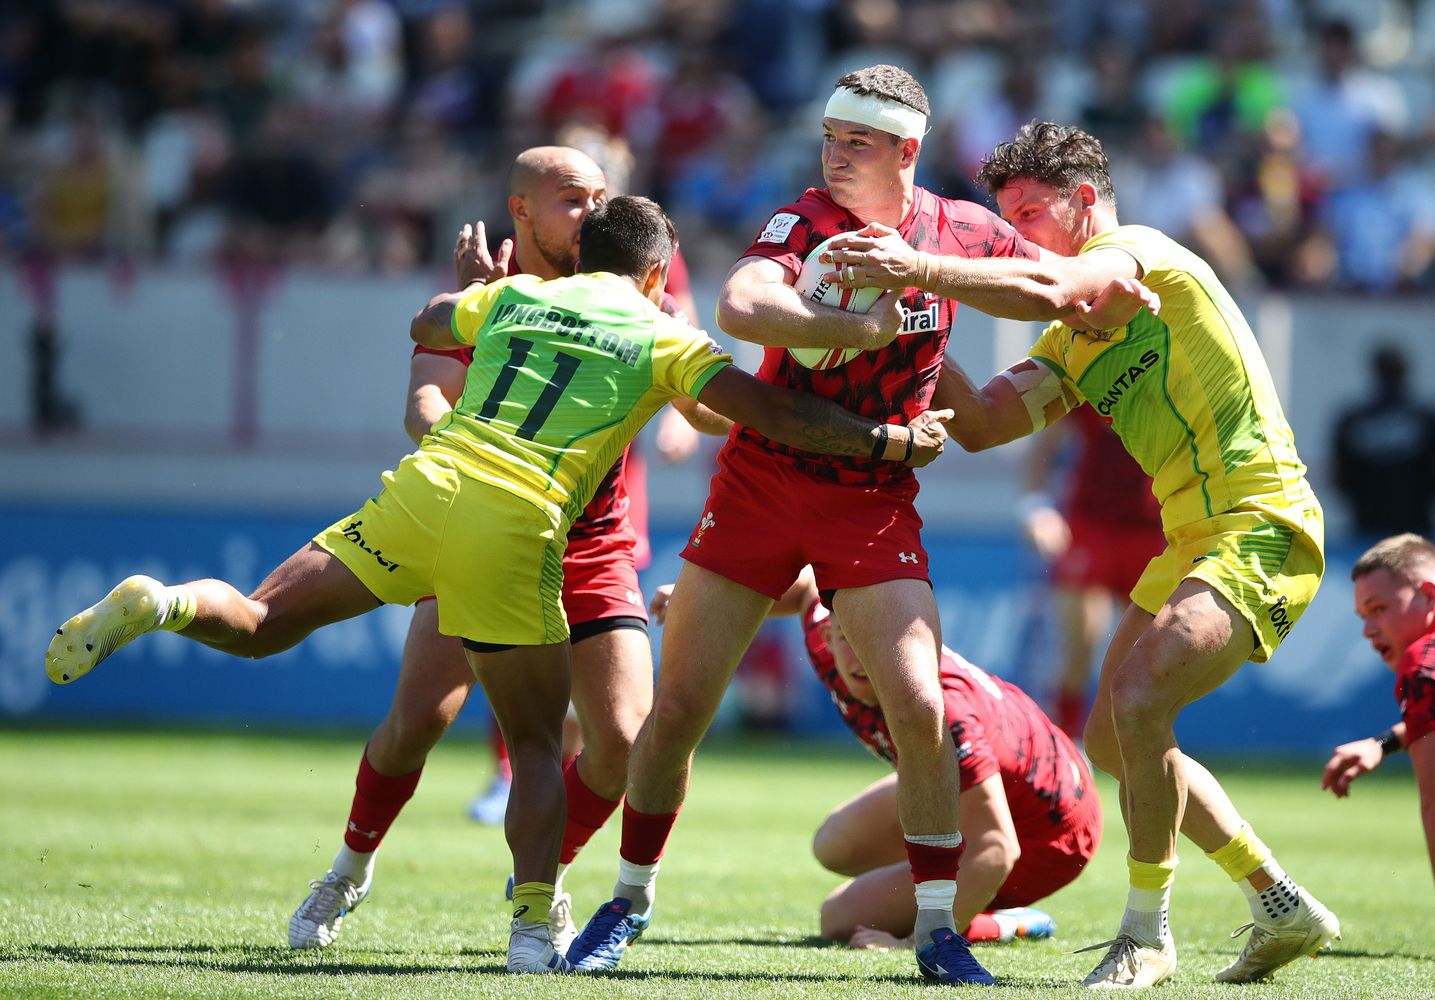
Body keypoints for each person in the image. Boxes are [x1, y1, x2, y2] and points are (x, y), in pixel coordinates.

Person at [45, 194, 951, 975]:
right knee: (529, 736)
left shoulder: (516, 296)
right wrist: (882, 441)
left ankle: (159, 602)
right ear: (652, 276)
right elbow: (771, 412)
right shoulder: (661, 332)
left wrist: (476, 291)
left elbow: (430, 323)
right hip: (515, 522)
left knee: (259, 620)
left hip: (428, 487)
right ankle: (530, 930)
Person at [824, 120, 1340, 988]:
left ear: (1086, 203)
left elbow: (1052, 277)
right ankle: (1278, 898)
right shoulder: (1069, 341)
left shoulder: (1140, 255)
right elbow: (985, 425)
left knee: (1138, 702)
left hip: (1264, 521)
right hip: (1189, 540)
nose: (1015, 232)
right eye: (1006, 217)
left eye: (1029, 212)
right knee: (1114, 728)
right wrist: (916, 327)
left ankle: (1147, 935)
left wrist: (916, 263)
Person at [566, 64, 1040, 987]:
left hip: (870, 499)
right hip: (763, 482)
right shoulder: (808, 219)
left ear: (908, 151)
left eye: (855, 142)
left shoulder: (957, 231)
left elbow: (1043, 289)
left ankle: (939, 932)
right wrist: (855, 328)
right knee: (679, 714)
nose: (834, 155)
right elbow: (746, 302)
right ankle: (628, 901)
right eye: (829, 136)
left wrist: (939, 280)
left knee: (922, 709)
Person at [283, 146, 721, 955]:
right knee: (417, 721)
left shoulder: (638, 294)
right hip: (487, 524)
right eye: (570, 199)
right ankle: (347, 869)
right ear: (521, 210)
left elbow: (703, 404)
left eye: (599, 196)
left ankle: (540, 883)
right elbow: (424, 398)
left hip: (591, 544)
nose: (591, 212)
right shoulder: (490, 297)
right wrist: (462, 450)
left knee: (624, 743)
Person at [652, 568, 1101, 948]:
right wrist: (704, 601)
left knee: (840, 918)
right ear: (829, 632)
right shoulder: (825, 631)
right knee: (835, 843)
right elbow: (809, 584)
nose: (863, 654)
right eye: (848, 637)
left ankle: (1003, 922)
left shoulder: (946, 710)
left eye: (884, 642)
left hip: (1052, 833)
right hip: (1005, 787)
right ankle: (958, 903)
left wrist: (913, 943)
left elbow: (997, 848)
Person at [1323, 534, 1435, 961]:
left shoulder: (1427, 658)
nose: (1368, 630)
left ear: (1427, 594)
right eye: (1363, 615)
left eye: (1379, 610)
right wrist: (1384, 743)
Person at [1019, 407, 1162, 738]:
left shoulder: (1177, 376)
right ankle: (1067, 742)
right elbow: (1043, 446)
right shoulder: (1096, 370)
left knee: (1142, 657)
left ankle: (1127, 743)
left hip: (1153, 527)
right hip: (1091, 521)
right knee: (1081, 638)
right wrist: (1036, 508)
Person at [1332, 344, 1435, 539]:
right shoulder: (1428, 418)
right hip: (1414, 527)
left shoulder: (1352, 419)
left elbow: (1339, 477)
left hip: (1369, 526)